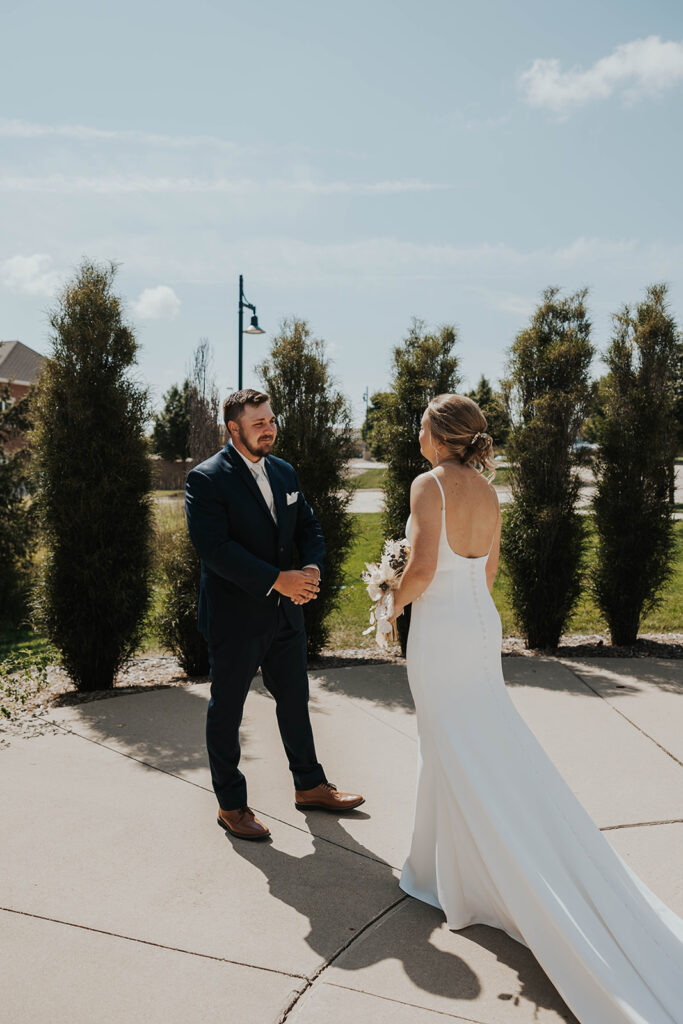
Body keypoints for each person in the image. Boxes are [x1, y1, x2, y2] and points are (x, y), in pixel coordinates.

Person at [388, 393, 683, 1024]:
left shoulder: (427, 485)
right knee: (477, 740)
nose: (417, 435)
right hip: (477, 624)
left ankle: (455, 878)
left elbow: (420, 567)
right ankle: (446, 869)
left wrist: (391, 604)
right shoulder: (490, 492)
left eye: (421, 426)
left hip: (440, 631)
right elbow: (487, 574)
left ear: (438, 436)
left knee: (445, 741)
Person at [185, 388, 364, 841]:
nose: (269, 428)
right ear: (233, 429)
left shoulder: (283, 471)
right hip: (235, 617)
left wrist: (310, 568)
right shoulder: (206, 479)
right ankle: (231, 805)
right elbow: (215, 550)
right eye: (259, 423)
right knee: (227, 712)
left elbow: (309, 527)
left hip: (287, 615)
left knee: (295, 701)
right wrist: (275, 578)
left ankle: (310, 786)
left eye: (271, 419)